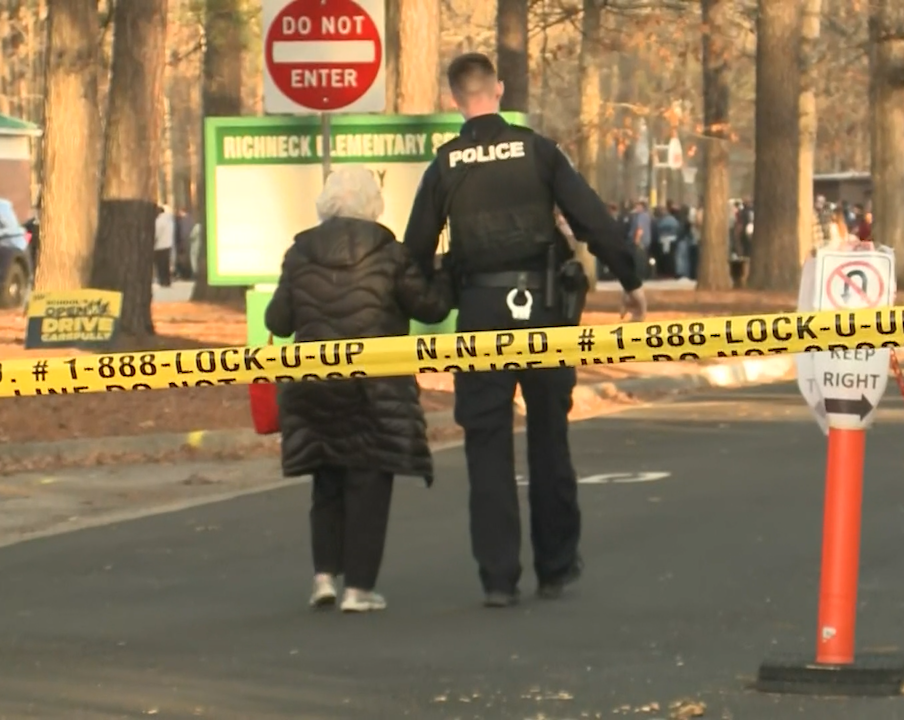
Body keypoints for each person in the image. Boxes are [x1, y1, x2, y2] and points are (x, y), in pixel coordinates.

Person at [401, 53, 647, 608]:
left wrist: (428, 297)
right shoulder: (538, 151)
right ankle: (556, 566)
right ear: (501, 90)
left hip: (482, 312)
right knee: (548, 438)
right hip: (544, 312)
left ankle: (497, 578)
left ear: (453, 101)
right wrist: (630, 280)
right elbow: (592, 219)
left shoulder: (445, 165)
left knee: (487, 444)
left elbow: (414, 250)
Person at [265, 166, 452, 613]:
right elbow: (429, 307)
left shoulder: (299, 252)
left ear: (327, 203)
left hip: (314, 382)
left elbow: (278, 321)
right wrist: (445, 273)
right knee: (369, 478)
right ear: (373, 204)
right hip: (376, 384)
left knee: (326, 478)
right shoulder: (390, 252)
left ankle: (324, 577)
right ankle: (359, 589)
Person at [153, 206, 175, 288]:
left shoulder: (158, 221)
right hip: (168, 244)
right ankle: (167, 280)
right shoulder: (169, 221)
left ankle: (162, 280)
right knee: (166, 264)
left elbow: (156, 234)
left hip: (159, 246)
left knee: (160, 265)